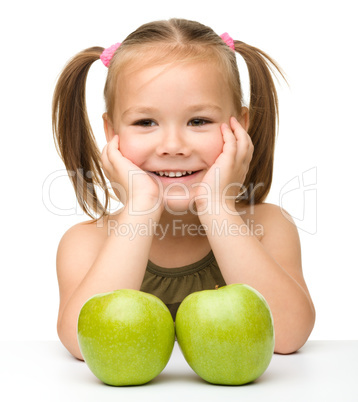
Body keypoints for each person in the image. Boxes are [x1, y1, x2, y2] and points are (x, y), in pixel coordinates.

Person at [52, 18, 315, 361]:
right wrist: (140, 209)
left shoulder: (267, 226)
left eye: (198, 121)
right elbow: (81, 343)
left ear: (241, 127)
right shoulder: (86, 243)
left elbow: (289, 335)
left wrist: (216, 206)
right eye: (145, 122)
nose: (173, 145)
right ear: (111, 132)